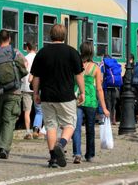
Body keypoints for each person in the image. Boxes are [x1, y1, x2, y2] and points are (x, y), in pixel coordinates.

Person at [31, 24, 85, 168]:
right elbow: (78, 75)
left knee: (50, 126)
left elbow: (36, 76)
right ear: (64, 36)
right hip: (66, 96)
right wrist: (82, 92)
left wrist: (36, 93)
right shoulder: (72, 52)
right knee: (70, 124)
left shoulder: (42, 53)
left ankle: (53, 159)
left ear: (50, 35)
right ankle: (61, 144)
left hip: (47, 96)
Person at [0, 29, 26, 159]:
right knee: (9, 120)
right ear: (9, 39)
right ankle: (4, 147)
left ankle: (0, 146)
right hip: (14, 91)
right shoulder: (15, 52)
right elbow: (25, 67)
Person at [72, 42, 110, 163]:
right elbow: (99, 89)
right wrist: (104, 107)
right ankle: (89, 155)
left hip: (77, 99)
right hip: (91, 101)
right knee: (90, 129)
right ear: (91, 52)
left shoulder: (76, 66)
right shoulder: (96, 68)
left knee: (76, 128)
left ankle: (77, 153)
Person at [21, 42, 36, 139]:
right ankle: (39, 129)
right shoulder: (39, 57)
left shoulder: (25, 58)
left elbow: (22, 72)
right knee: (40, 110)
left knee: (27, 111)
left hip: (26, 86)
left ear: (27, 48)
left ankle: (28, 132)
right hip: (37, 86)